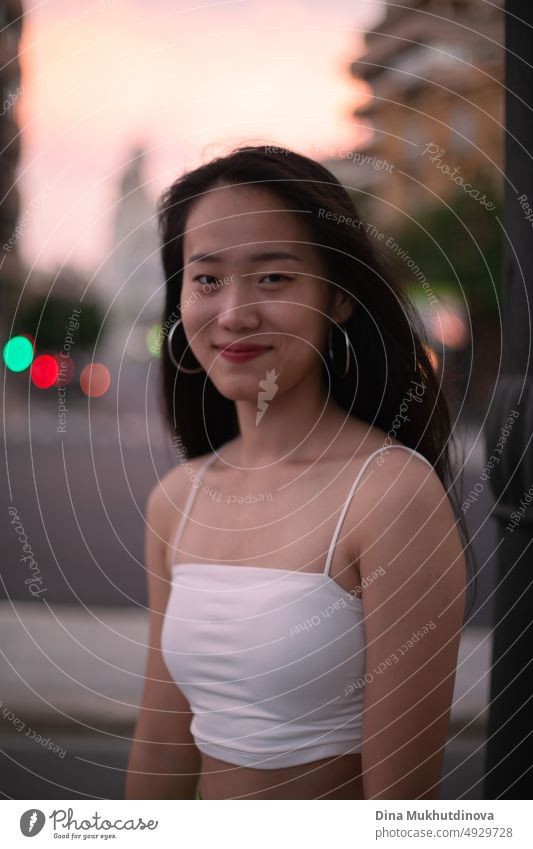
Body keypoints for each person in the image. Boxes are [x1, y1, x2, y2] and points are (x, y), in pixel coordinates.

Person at [125, 144, 472, 800]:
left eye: (272, 277)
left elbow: (401, 808)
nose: (233, 312)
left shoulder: (390, 494)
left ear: (337, 298)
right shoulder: (178, 497)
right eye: (205, 279)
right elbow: (162, 738)